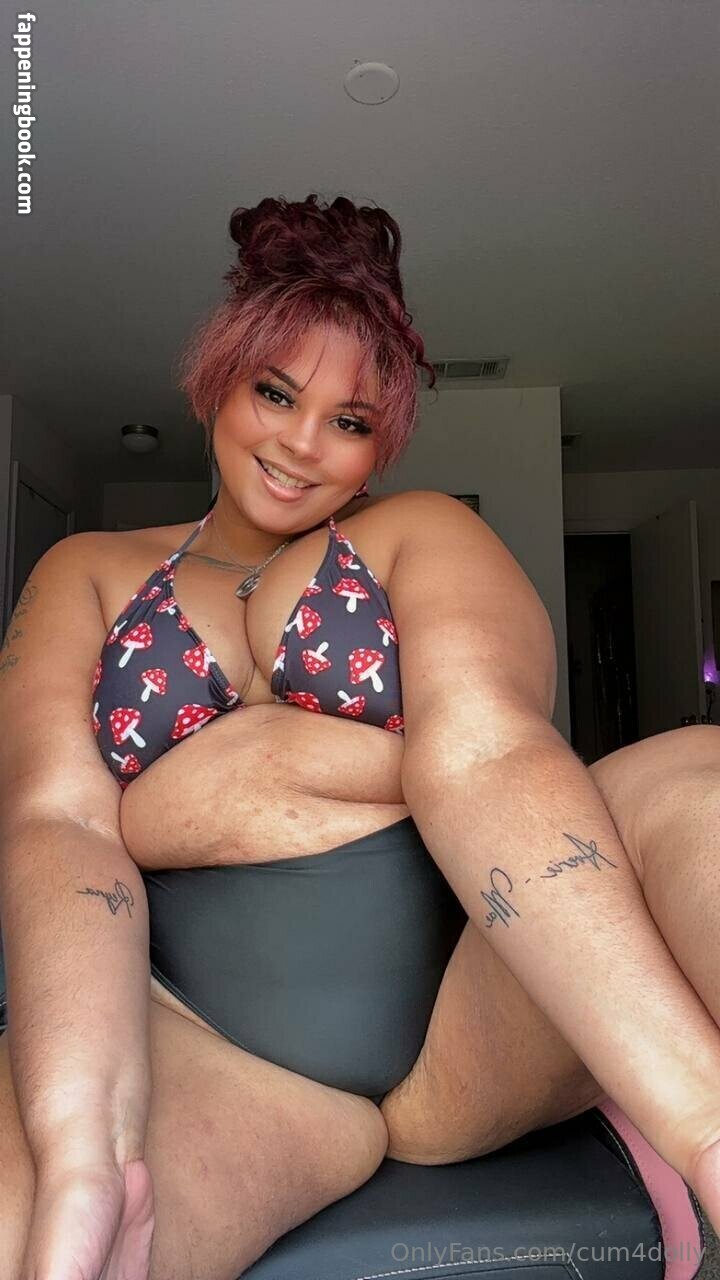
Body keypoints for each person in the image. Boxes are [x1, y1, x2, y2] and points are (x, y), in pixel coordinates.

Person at [0, 193, 719, 1280]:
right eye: (275, 392)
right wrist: (75, 1147)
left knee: (698, 785)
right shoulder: (88, 569)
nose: (301, 443)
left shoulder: (424, 532)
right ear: (216, 380)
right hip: (211, 1047)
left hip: (465, 1029)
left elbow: (485, 749)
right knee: (51, 1234)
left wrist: (703, 1129)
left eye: (349, 421)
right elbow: (59, 824)